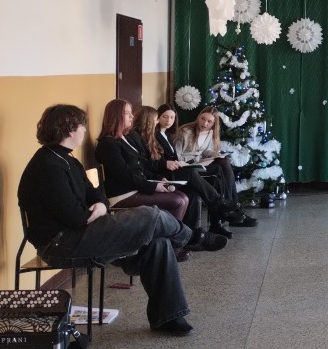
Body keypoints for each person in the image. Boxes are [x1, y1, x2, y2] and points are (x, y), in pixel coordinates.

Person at [18, 104, 228, 336]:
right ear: (69, 130)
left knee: (159, 243)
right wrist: (98, 208)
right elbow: (76, 218)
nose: (84, 130)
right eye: (81, 126)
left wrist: (100, 205)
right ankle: (192, 237)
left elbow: (97, 192)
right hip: (61, 244)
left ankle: (169, 318)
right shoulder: (48, 166)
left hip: (82, 233)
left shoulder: (67, 159)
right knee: (151, 214)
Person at [133, 105, 240, 238]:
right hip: (164, 174)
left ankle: (205, 229)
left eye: (172, 117)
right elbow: (149, 162)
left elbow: (169, 158)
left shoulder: (166, 135)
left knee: (214, 179)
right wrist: (168, 163)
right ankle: (219, 203)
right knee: (193, 172)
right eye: (162, 117)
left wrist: (211, 155)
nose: (167, 120)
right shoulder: (149, 137)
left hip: (175, 168)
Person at [95, 99, 191, 225]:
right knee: (178, 201)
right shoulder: (107, 144)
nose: (132, 116)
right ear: (116, 116)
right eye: (127, 113)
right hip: (122, 194)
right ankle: (167, 235)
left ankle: (168, 235)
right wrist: (153, 186)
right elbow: (125, 175)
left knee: (183, 197)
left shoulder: (126, 137)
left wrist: (158, 179)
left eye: (131, 113)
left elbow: (140, 166)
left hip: (136, 187)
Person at [175, 106, 257, 230]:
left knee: (223, 162)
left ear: (214, 123)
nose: (205, 123)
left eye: (209, 121)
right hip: (186, 168)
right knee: (219, 170)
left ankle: (230, 213)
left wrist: (213, 154)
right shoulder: (185, 132)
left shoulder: (210, 133)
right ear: (198, 117)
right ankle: (233, 212)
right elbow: (176, 155)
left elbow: (204, 150)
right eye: (203, 119)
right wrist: (194, 160)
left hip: (198, 165)